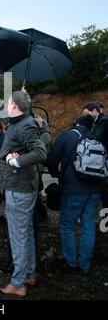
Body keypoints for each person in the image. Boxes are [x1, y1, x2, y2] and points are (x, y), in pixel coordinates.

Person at [0, 90, 47, 297]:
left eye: (9, 102)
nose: (7, 105)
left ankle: (18, 283)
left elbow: (40, 151)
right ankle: (28, 274)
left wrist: (15, 161)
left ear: (15, 106)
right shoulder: (21, 122)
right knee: (25, 234)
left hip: (19, 189)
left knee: (18, 237)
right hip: (22, 186)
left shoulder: (25, 124)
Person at [47, 115, 101, 274]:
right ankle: (85, 265)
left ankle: (71, 263)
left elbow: (51, 159)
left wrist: (56, 174)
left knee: (68, 226)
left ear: (76, 123)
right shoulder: (98, 139)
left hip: (73, 190)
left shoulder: (67, 136)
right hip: (95, 190)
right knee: (88, 226)